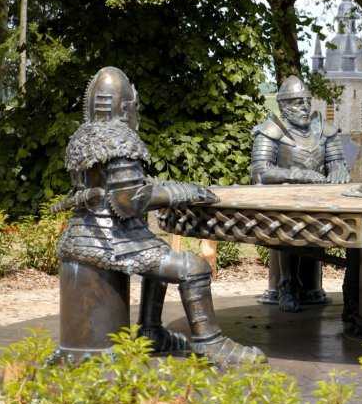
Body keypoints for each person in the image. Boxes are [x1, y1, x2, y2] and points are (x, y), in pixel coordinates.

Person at [57, 66, 264, 367]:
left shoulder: (82, 136)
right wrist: (183, 192)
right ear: (126, 106)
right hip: (112, 240)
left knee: (160, 254)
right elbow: (129, 200)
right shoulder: (119, 140)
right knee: (193, 267)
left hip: (85, 233)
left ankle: (151, 331)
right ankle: (211, 344)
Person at [250, 75, 350, 312]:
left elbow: (338, 161)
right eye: (297, 102)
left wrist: (337, 170)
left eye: (306, 101)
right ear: (284, 106)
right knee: (288, 226)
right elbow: (260, 171)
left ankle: (352, 290)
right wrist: (299, 175)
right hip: (284, 203)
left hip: (321, 201)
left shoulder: (325, 130)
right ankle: (287, 284)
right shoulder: (271, 130)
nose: (305, 107)